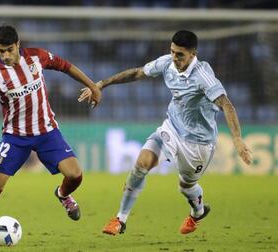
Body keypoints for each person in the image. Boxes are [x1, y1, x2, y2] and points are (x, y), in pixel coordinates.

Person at [79, 30, 252, 235]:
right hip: (171, 128)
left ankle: (198, 211)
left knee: (186, 187)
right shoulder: (167, 63)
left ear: (193, 54)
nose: (175, 58)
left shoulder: (203, 76)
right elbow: (137, 73)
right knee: (141, 164)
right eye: (172, 52)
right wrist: (100, 84)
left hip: (199, 143)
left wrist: (238, 139)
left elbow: (227, 104)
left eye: (180, 54)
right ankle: (120, 219)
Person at [0, 24, 101, 245]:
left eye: (10, 49)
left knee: (75, 175)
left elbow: (64, 65)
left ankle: (62, 194)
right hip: (15, 137)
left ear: (18, 44)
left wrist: (92, 86)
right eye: (1, 51)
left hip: (47, 131)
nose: (6, 55)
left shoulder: (36, 57)